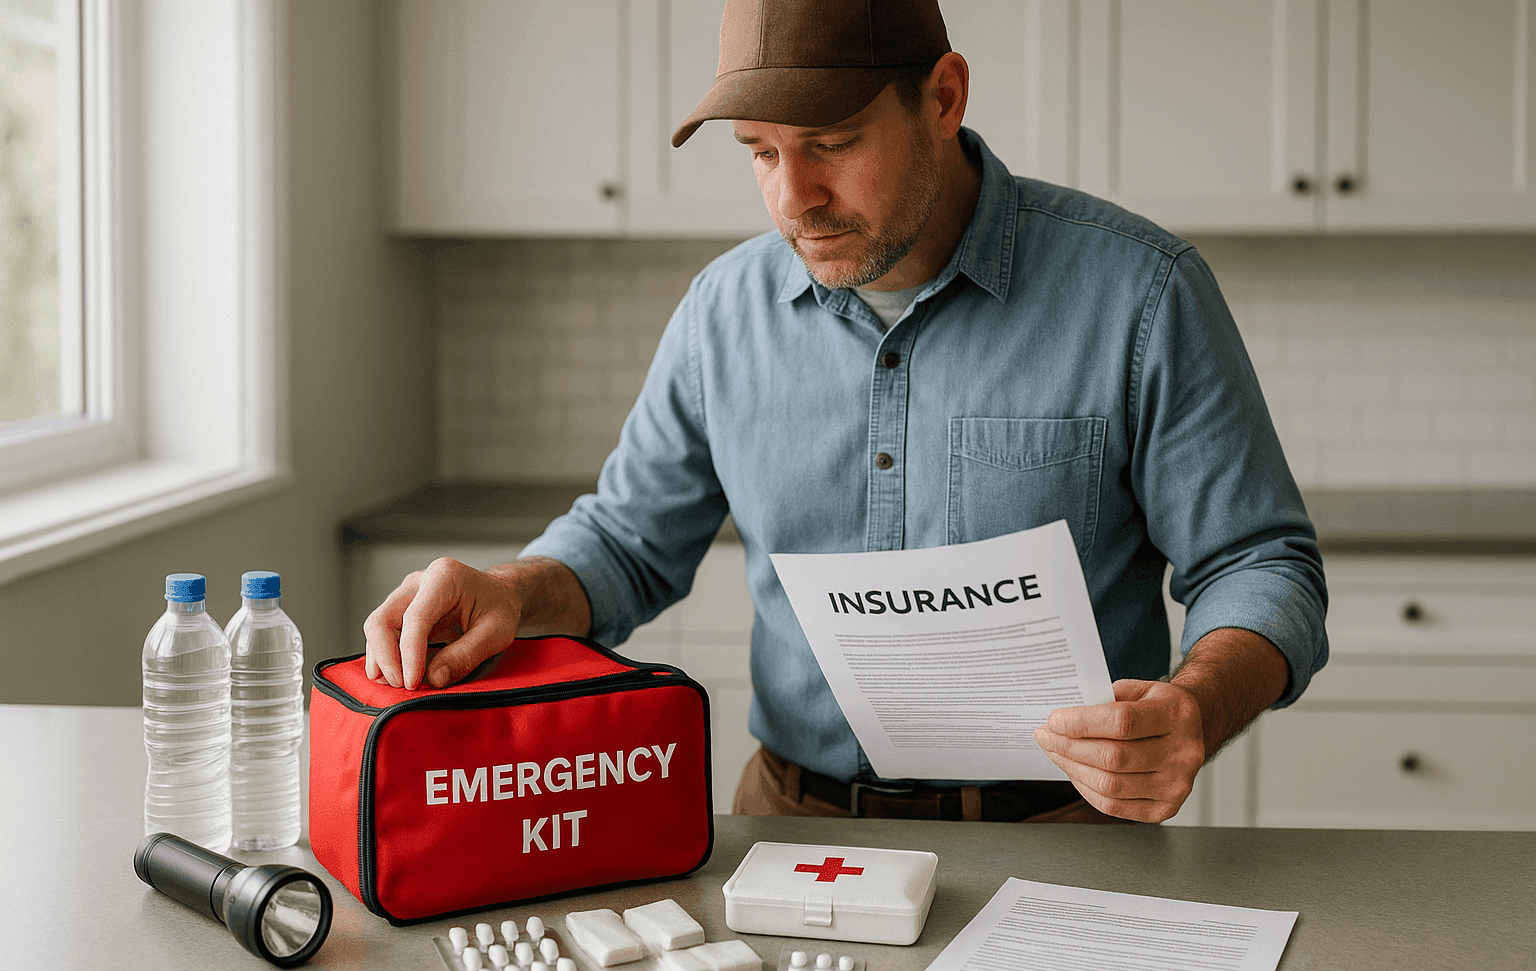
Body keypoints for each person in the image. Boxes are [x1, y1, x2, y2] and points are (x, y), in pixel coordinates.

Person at [364, 0, 1327, 825]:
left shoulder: (1141, 293)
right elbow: (627, 542)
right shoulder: (720, 314)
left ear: (944, 97)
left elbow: (1260, 564)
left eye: (831, 144)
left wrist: (1193, 706)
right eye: (761, 154)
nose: (796, 199)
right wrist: (509, 591)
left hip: (1065, 831)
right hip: (788, 823)